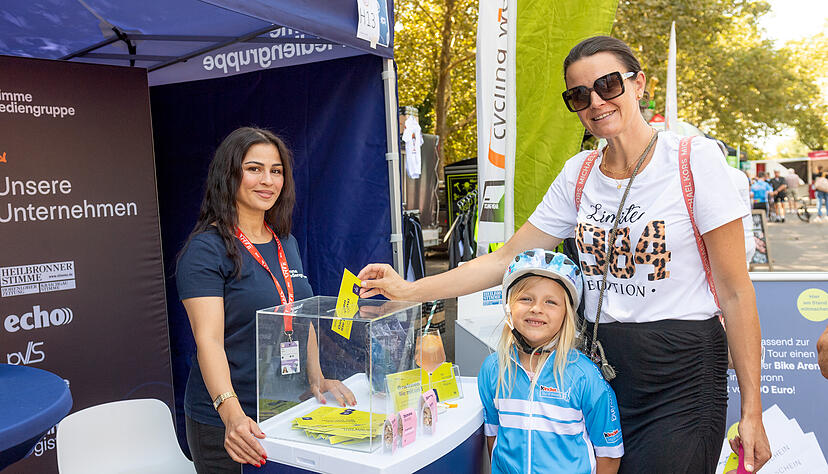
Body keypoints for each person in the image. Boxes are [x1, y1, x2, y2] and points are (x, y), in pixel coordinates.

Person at [359, 36, 770, 473]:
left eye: (609, 85)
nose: (596, 102)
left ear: (640, 84)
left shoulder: (692, 161)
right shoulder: (579, 174)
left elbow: (735, 293)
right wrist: (410, 290)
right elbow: (506, 260)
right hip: (596, 367)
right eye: (579, 95)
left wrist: (752, 411)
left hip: (681, 374)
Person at [176, 127, 355, 473]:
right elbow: (208, 341)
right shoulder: (205, 250)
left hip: (286, 410)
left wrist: (316, 380)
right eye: (254, 168)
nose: (268, 180)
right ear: (229, 174)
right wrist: (232, 415)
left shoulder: (285, 242)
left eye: (276, 171)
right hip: (230, 424)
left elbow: (299, 319)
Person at [478, 249, 623, 473]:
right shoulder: (493, 369)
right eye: (526, 298)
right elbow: (493, 438)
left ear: (567, 314)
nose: (536, 308)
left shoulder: (585, 376)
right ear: (508, 307)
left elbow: (609, 454)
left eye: (551, 302)